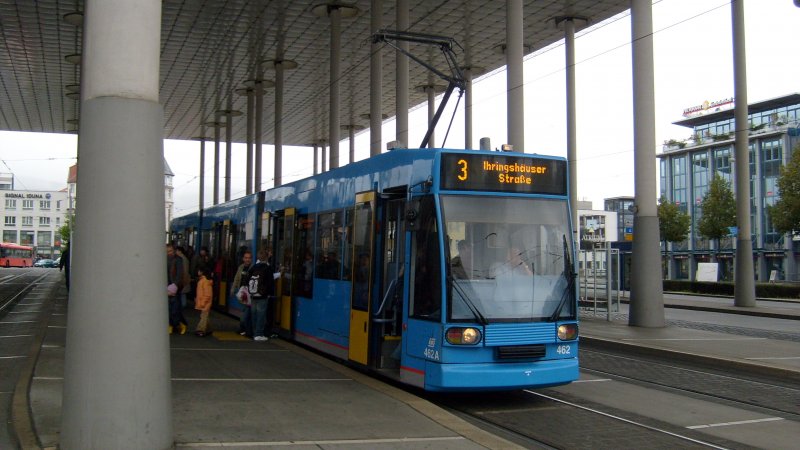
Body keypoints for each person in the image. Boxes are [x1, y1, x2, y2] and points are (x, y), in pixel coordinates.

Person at [248, 248, 279, 341]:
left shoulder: (254, 267)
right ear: (266, 258)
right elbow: (270, 282)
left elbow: (247, 279)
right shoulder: (267, 268)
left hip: (253, 294)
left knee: (254, 313)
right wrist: (270, 293)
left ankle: (254, 332)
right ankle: (259, 334)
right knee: (261, 314)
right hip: (263, 295)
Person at [231, 250, 253, 337]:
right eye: (246, 258)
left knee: (246, 312)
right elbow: (236, 279)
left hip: (250, 294)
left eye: (249, 258)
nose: (247, 260)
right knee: (245, 311)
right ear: (243, 259)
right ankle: (244, 328)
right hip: (242, 294)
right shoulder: (241, 267)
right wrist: (233, 289)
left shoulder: (253, 268)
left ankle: (243, 328)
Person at [166, 243, 188, 335]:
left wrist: (174, 286)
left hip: (175, 287)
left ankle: (181, 324)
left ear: (174, 250)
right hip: (166, 287)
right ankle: (172, 325)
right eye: (167, 251)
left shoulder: (178, 260)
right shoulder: (164, 259)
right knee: (170, 308)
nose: (169, 253)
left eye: (170, 251)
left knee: (175, 308)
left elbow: (179, 274)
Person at [194, 267, 213, 336]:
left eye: (198, 270)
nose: (197, 272)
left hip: (205, 303)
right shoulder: (203, 281)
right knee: (205, 316)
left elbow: (207, 295)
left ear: (201, 272)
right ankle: (208, 329)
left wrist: (202, 302)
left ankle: (200, 330)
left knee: (203, 316)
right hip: (204, 302)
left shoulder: (204, 281)